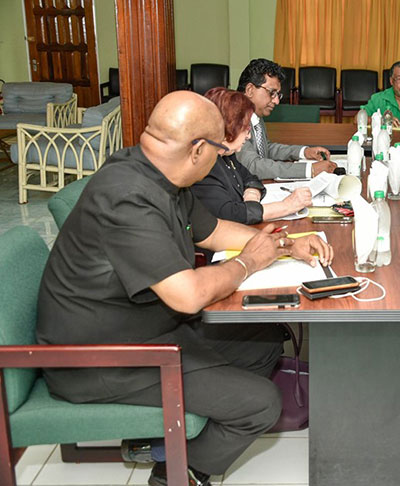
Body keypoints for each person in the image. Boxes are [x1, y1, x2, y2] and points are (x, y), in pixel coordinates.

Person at [35, 91, 333, 486]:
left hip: (142, 324)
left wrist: (284, 245)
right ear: (197, 149)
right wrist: (249, 263)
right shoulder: (128, 197)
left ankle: (168, 434)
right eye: (218, 149)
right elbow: (187, 294)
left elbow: (212, 231)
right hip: (99, 357)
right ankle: (178, 471)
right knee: (260, 405)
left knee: (262, 340)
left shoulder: (160, 172)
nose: (222, 158)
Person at [192, 87, 312, 224]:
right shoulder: (204, 166)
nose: (249, 136)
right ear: (228, 129)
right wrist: (287, 206)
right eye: (245, 129)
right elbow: (231, 214)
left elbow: (250, 178)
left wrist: (251, 195)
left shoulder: (226, 154)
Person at [236, 58, 336, 180]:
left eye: (278, 95)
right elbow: (254, 165)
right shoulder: (235, 118)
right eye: (271, 93)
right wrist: (310, 170)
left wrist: (304, 152)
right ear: (250, 90)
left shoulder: (255, 115)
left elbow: (266, 148)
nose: (276, 101)